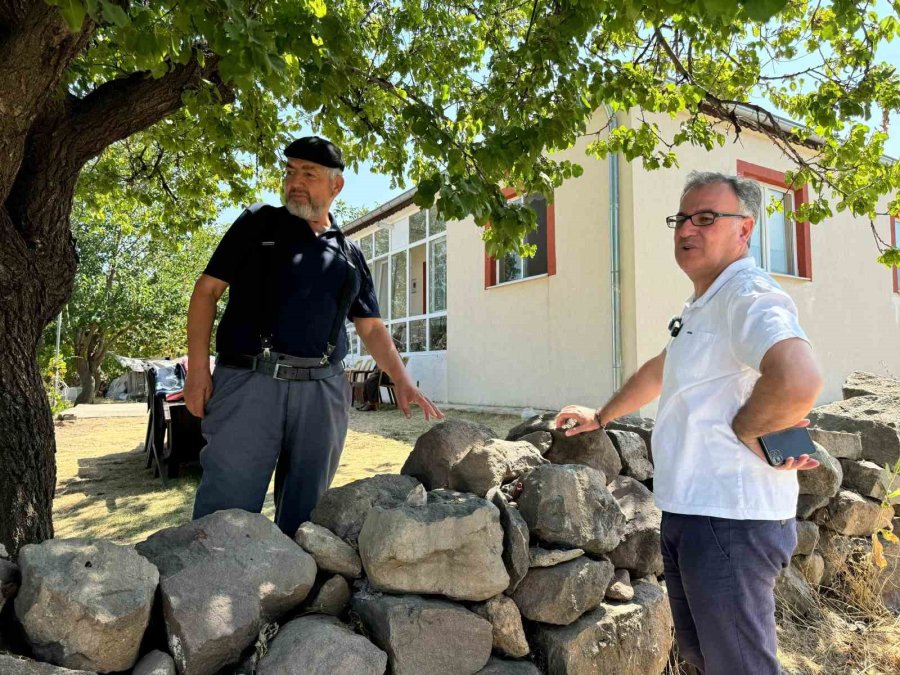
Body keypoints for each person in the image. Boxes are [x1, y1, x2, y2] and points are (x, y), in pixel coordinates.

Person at [556, 171, 822, 674]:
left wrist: (750, 429)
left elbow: (798, 375)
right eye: (681, 218)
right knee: (706, 660)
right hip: (692, 514)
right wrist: (603, 414)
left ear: (744, 230)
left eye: (705, 218)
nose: (686, 230)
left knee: (740, 666)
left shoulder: (746, 294)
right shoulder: (705, 303)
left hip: (731, 521)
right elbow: (663, 367)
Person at [184, 136, 443, 536]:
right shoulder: (257, 224)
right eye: (290, 172)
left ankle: (295, 595)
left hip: (322, 394)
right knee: (225, 518)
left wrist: (402, 380)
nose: (295, 182)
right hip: (250, 383)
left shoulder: (349, 254)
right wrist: (198, 369)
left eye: (309, 173)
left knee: (307, 520)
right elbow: (206, 292)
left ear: (336, 186)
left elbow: (370, 326)